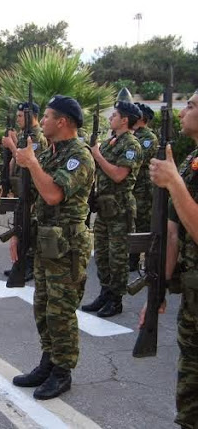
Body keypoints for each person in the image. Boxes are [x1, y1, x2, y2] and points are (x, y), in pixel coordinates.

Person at [10, 96, 94, 399]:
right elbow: (30, 198)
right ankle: (48, 361)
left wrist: (32, 162)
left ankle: (62, 371)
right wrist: (20, 235)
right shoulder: (51, 153)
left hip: (67, 247)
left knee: (61, 312)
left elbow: (53, 194)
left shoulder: (78, 156)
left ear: (63, 122)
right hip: (46, 243)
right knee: (43, 309)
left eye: (46, 116)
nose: (40, 121)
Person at [147, 90, 198, 428]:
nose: (183, 111)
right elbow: (173, 231)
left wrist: (174, 184)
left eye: (191, 106)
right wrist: (159, 288)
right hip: (193, 297)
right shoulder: (192, 159)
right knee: (190, 388)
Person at [81, 100, 142, 317]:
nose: (110, 118)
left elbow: (118, 175)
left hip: (120, 209)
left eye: (114, 115)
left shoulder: (131, 146)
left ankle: (116, 300)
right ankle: (105, 293)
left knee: (117, 258)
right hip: (104, 207)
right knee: (102, 256)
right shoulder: (110, 143)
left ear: (125, 120)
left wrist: (97, 155)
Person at [1, 101, 50, 281]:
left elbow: (28, 160)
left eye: (21, 116)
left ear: (31, 116)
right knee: (21, 223)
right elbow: (17, 160)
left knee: (29, 225)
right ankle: (21, 261)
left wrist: (12, 146)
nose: (18, 119)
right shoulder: (24, 135)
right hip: (22, 186)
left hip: (33, 188)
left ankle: (28, 264)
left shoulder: (37, 137)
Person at [130, 102, 159, 271]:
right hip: (134, 187)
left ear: (142, 118)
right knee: (133, 223)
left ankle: (148, 262)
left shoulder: (148, 138)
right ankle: (132, 259)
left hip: (144, 189)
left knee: (144, 224)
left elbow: (137, 159)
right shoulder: (132, 135)